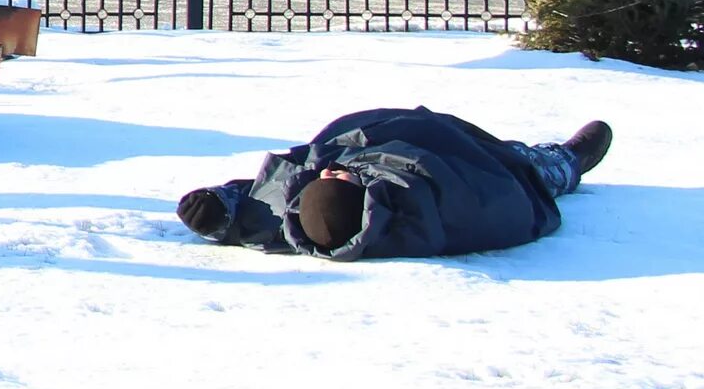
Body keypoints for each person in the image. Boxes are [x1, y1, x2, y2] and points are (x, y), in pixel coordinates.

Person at [176, 107, 612, 261]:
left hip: (389, 141)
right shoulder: (437, 212)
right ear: (364, 202)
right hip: (470, 165)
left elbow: (267, 200)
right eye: (336, 179)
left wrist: (219, 208)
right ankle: (567, 159)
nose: (327, 172)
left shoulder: (297, 222)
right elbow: (505, 201)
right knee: (526, 166)